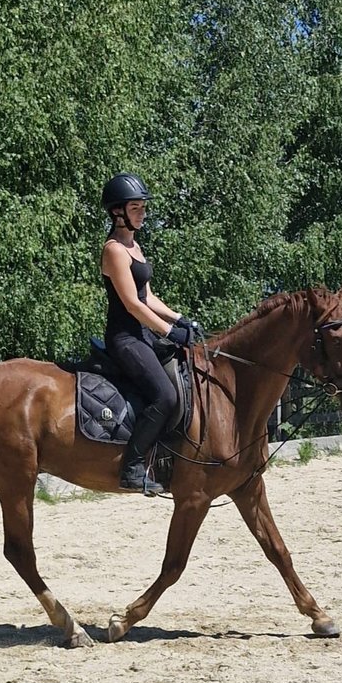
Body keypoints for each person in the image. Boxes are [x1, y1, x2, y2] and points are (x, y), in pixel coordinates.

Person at [99, 172, 199, 495]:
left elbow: (148, 297)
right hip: (125, 339)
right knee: (165, 395)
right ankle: (132, 466)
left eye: (143, 207)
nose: (142, 213)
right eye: (136, 207)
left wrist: (182, 320)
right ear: (118, 212)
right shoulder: (114, 250)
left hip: (144, 334)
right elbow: (132, 305)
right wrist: (170, 331)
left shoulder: (135, 246)